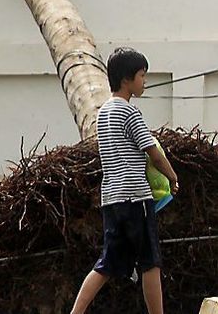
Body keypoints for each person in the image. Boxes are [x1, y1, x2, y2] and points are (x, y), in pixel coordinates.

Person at [70, 48, 179, 314]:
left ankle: (76, 312)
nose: (145, 81)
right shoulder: (130, 113)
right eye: (142, 75)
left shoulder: (104, 114)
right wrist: (172, 176)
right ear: (127, 79)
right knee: (149, 262)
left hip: (112, 200)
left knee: (106, 263)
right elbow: (152, 151)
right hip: (135, 197)